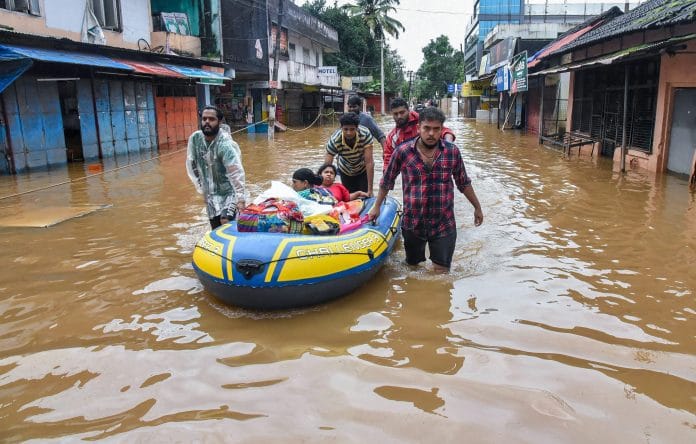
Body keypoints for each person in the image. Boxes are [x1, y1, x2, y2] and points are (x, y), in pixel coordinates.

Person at [369, 107, 483, 272]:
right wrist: (377, 206)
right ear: (418, 128)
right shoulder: (402, 152)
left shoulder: (452, 152)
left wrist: (477, 207)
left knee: (442, 274)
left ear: (442, 130)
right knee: (412, 268)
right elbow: (387, 181)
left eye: (436, 129)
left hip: (444, 223)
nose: (431, 134)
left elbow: (463, 182)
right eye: (427, 128)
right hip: (413, 223)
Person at [186, 106, 246, 229]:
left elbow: (236, 173)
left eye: (211, 119)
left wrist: (240, 199)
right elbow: (192, 163)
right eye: (204, 119)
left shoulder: (225, 145)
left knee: (225, 221)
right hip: (210, 194)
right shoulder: (195, 139)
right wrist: (201, 186)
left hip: (228, 193)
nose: (207, 122)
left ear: (219, 122)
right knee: (215, 227)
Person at [383, 98, 455, 171]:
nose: (399, 116)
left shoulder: (422, 120)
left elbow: (444, 131)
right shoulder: (393, 137)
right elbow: (387, 162)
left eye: (402, 112)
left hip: (435, 166)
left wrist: (448, 147)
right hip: (411, 173)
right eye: (396, 114)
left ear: (408, 110)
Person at [324, 112, 375, 196]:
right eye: (346, 129)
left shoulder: (365, 134)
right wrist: (325, 188)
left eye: (352, 129)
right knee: (348, 196)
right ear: (341, 128)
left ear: (357, 128)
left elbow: (369, 162)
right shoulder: (335, 140)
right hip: (345, 171)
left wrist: (370, 190)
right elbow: (327, 166)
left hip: (362, 169)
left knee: (365, 196)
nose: (349, 133)